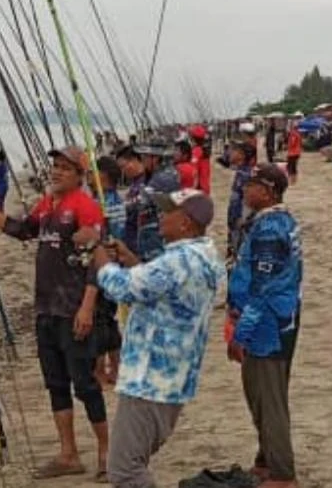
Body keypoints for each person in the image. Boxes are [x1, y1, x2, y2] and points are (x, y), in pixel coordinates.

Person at [0, 146, 109, 479]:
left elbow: (96, 262)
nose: (56, 172)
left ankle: (105, 452)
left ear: (79, 176)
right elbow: (19, 229)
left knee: (85, 384)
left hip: (74, 309)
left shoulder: (85, 208)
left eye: (64, 168)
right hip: (46, 309)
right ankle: (68, 454)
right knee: (56, 384)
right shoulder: (47, 205)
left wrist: (87, 307)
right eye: (54, 166)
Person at [92, 189, 226, 488]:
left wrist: (97, 253)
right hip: (173, 382)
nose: (161, 216)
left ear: (186, 223)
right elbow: (165, 291)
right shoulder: (206, 256)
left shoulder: (177, 261)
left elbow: (122, 288)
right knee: (133, 461)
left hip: (148, 382)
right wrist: (131, 261)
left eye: (169, 211)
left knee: (124, 470)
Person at [226, 164, 303, 488]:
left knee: (268, 397)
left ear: (269, 191)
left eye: (252, 185)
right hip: (274, 318)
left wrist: (240, 333)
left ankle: (283, 474)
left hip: (268, 324)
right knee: (259, 393)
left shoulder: (271, 228)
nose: (245, 189)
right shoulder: (271, 221)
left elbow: (264, 287)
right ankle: (266, 458)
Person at [91, 155, 126, 387]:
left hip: (105, 266)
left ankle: (103, 369)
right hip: (113, 265)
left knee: (100, 320)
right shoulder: (114, 201)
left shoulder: (106, 204)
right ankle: (114, 367)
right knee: (108, 319)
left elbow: (106, 237)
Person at [115, 143, 182, 262]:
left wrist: (116, 209)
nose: (142, 160)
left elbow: (141, 200)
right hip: (151, 236)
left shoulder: (164, 178)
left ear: (155, 158)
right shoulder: (157, 175)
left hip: (156, 239)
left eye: (144, 157)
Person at [226, 142, 256, 258]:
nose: (231, 153)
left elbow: (248, 200)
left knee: (239, 252)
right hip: (235, 220)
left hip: (240, 222)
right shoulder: (240, 172)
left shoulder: (246, 175)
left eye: (235, 151)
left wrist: (242, 219)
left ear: (242, 155)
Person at [190, 125, 212, 195]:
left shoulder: (196, 151)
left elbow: (194, 172)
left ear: (193, 138)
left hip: (199, 189)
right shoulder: (204, 150)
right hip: (205, 186)